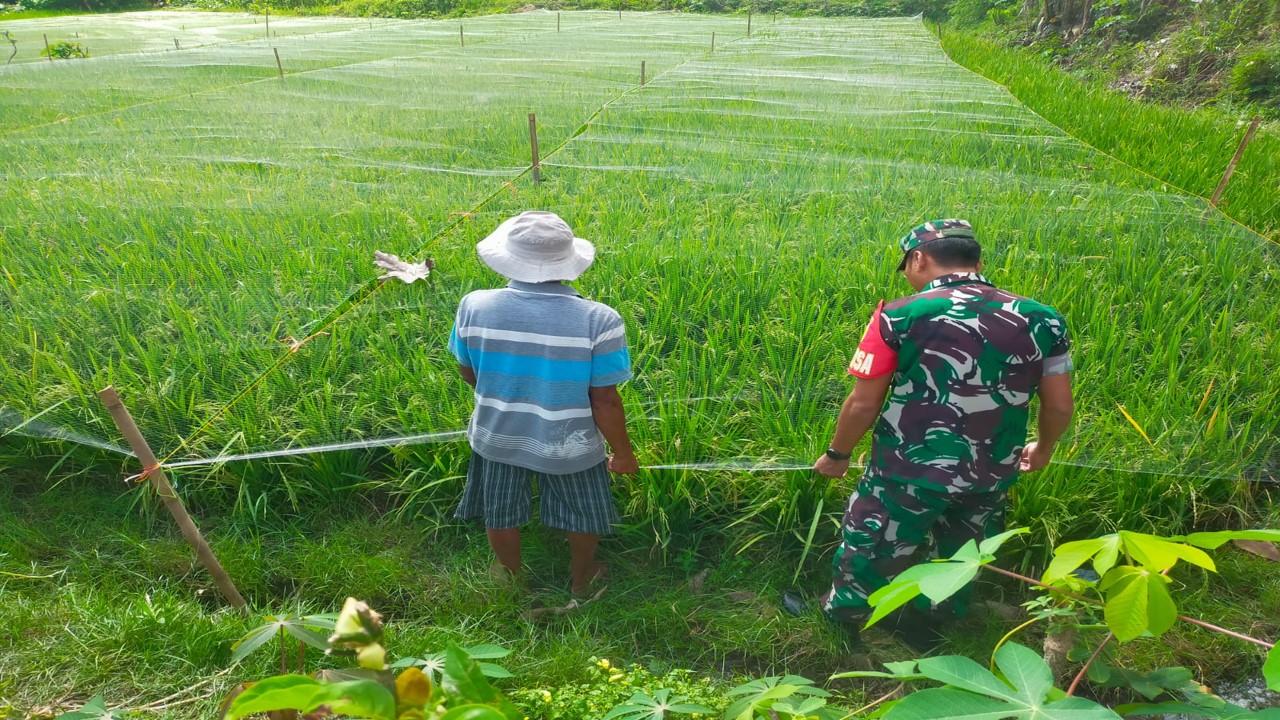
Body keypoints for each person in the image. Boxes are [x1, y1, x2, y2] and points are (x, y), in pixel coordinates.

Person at [812, 218, 1074, 646]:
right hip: (991, 470)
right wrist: (1042, 450)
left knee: (875, 544)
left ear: (918, 258)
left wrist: (838, 454)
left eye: (908, 265)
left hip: (906, 470)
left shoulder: (897, 315)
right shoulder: (1044, 320)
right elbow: (1060, 404)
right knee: (962, 553)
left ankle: (843, 622)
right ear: (978, 262)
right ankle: (928, 625)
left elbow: (863, 402)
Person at [448, 210, 639, 598]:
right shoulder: (599, 319)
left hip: (496, 433)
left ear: (508, 258)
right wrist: (622, 453)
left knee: (500, 509)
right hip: (571, 444)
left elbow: (469, 372)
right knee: (582, 511)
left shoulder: (474, 305)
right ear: (569, 262)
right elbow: (604, 399)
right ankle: (582, 579)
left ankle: (509, 573)